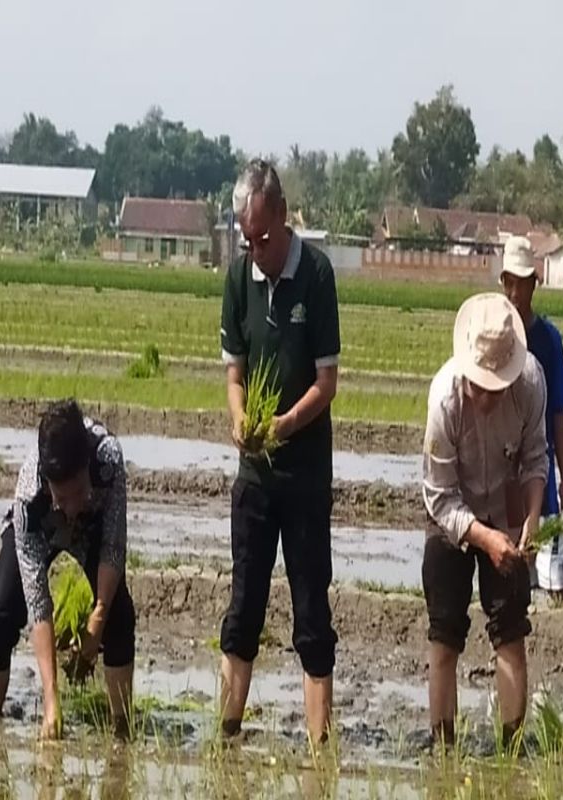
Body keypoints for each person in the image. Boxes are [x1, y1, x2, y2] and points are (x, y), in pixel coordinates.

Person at [218, 159, 341, 743]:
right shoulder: (239, 277)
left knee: (312, 608)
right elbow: (235, 375)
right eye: (247, 239)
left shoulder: (315, 275)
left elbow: (327, 383)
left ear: (283, 219)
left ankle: (319, 742)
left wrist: (284, 424)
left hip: (306, 473)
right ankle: (228, 726)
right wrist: (243, 422)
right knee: (244, 604)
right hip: (255, 476)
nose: (256, 249)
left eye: (263, 238)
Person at [421, 292, 548, 746]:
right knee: (445, 634)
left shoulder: (531, 383)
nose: (487, 397)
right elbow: (439, 495)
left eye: (495, 387)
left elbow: (535, 459)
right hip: (451, 514)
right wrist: (484, 539)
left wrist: (531, 518)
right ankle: (443, 745)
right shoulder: (444, 400)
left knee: (510, 630)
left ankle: (511, 747)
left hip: (508, 510)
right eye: (480, 386)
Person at [0, 400, 136, 741]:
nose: (71, 504)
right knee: (1, 614)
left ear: (85, 470)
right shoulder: (29, 499)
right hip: (44, 529)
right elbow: (39, 603)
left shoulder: (108, 458)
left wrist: (98, 618)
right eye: (62, 496)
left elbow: (112, 545)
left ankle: (122, 730)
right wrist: (51, 701)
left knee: (120, 616)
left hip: (92, 531)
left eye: (78, 492)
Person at [499, 236, 563, 605]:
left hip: (541, 475)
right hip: (502, 474)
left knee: (556, 578)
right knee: (514, 577)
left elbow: (558, 411)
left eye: (523, 283)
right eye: (510, 282)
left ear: (534, 284)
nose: (516, 292)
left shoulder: (548, 340)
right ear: (503, 284)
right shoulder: (495, 336)